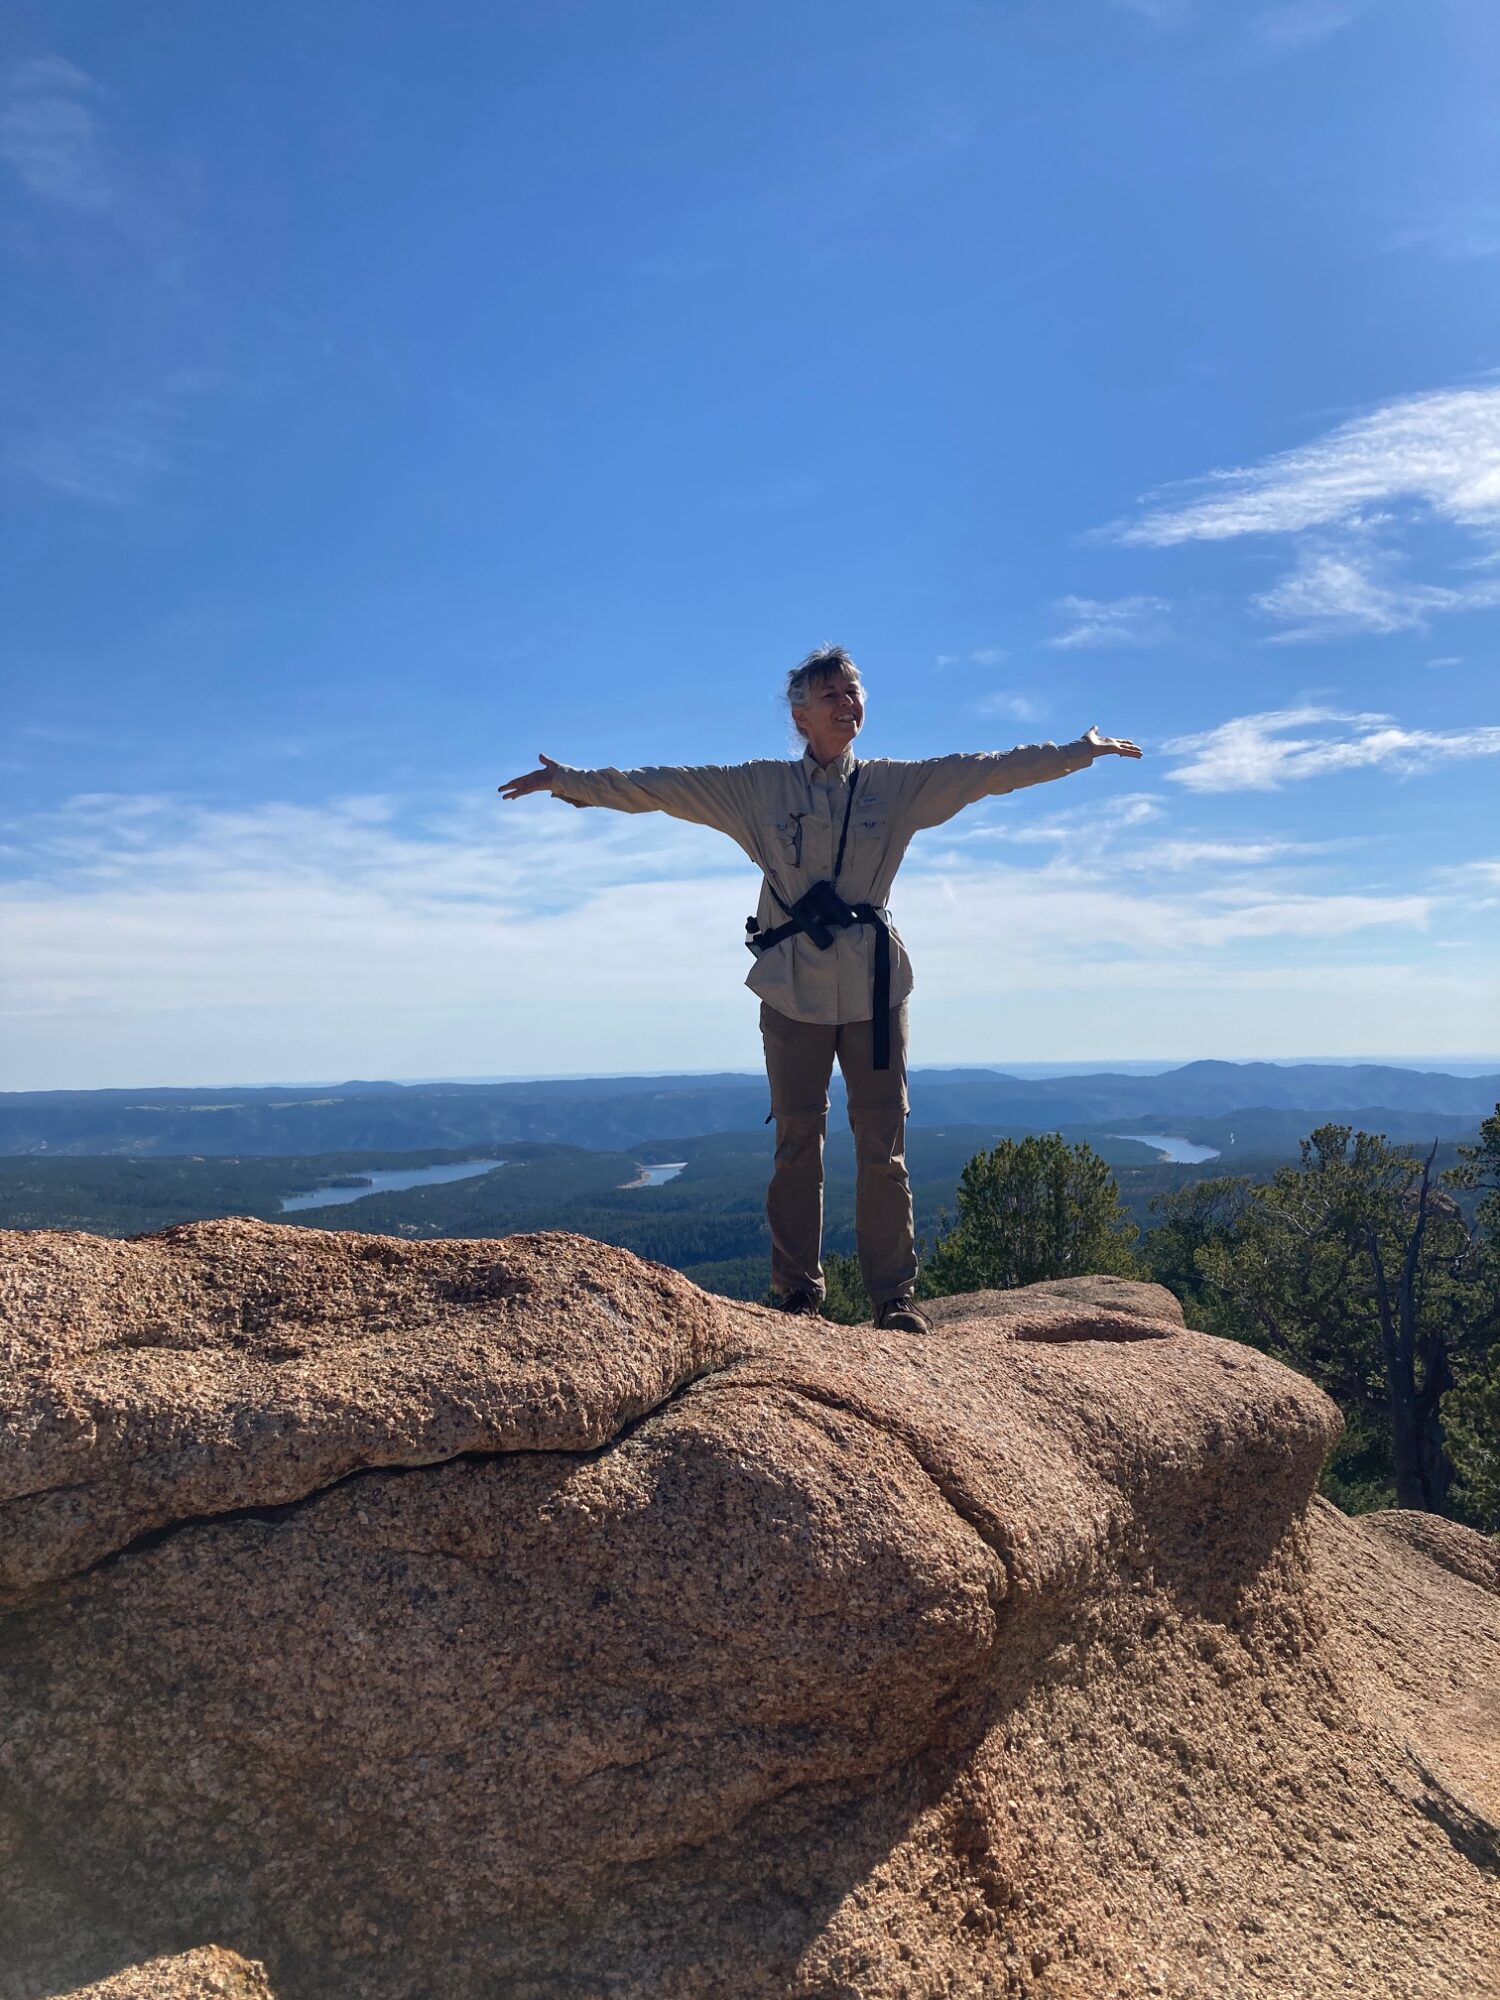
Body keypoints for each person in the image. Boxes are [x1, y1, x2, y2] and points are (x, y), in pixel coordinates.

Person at [500, 645, 1141, 1333]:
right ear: (800, 715)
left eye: (853, 690)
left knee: (881, 1144)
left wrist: (1079, 750)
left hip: (873, 990)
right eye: (830, 694)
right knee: (798, 1140)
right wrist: (570, 781)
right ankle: (798, 1294)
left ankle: (894, 1297)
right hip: (791, 990)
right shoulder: (759, 789)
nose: (846, 702)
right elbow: (661, 787)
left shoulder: (896, 787)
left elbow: (988, 772)